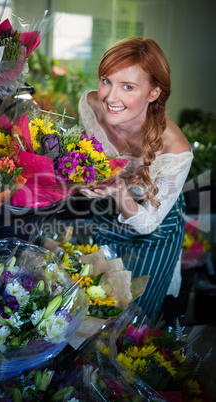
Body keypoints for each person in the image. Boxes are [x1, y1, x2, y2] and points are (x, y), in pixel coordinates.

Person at [78, 37, 193, 321]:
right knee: (96, 306)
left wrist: (117, 190)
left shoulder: (176, 149)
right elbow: (84, 161)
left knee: (134, 320)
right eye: (107, 81)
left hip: (154, 234)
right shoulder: (91, 105)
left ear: (153, 92)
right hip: (105, 216)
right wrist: (79, 177)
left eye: (127, 87)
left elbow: (147, 223)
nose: (110, 97)